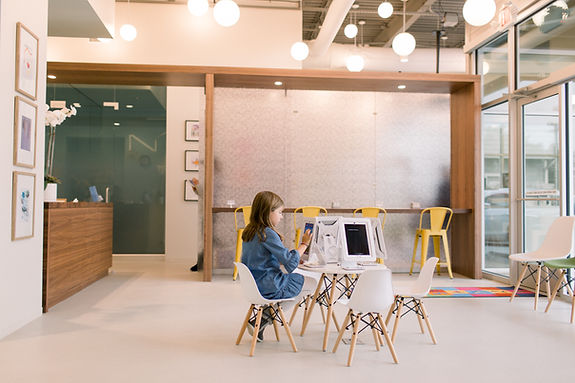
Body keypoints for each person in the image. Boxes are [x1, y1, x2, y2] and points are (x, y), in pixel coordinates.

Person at [241, 191, 317, 341]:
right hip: (268, 285)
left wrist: (292, 258)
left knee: (301, 282)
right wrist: (304, 244)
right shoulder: (267, 233)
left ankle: (265, 317)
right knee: (312, 284)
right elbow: (290, 264)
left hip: (254, 285)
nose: (282, 217)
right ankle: (266, 318)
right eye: (280, 212)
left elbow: (262, 257)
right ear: (268, 211)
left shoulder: (250, 231)